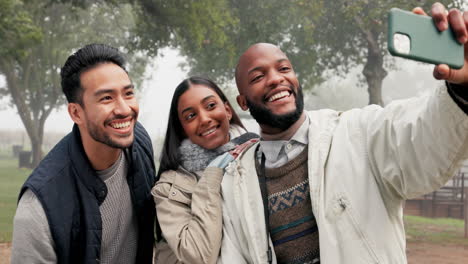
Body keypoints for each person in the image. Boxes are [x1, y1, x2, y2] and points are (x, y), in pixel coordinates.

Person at [220, 3, 468, 264]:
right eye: (258, 77)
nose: (275, 79)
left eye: (283, 69)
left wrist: (461, 89)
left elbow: (422, 139)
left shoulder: (358, 134)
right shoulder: (235, 182)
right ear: (243, 102)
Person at [11, 44, 156, 264]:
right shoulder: (38, 209)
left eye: (128, 94)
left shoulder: (139, 141)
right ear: (76, 113)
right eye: (106, 98)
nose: (124, 109)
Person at [152, 76, 258, 264]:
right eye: (190, 116)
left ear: (227, 110)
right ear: (182, 128)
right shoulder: (168, 189)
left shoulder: (259, 154)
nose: (204, 119)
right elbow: (199, 255)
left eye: (210, 106)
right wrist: (214, 172)